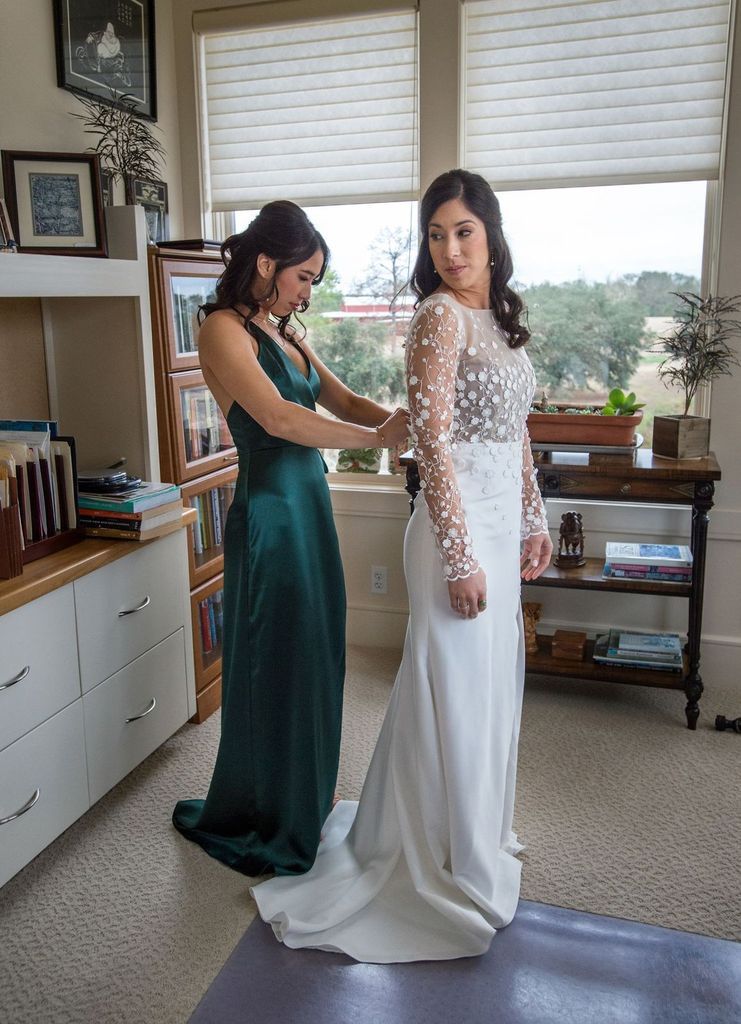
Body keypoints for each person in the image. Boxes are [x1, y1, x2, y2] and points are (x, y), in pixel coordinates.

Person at [251, 170, 552, 962]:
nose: (450, 250)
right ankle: (429, 860)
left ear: (490, 233)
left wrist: (532, 518)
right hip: (450, 533)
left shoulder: (503, 320)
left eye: (463, 231)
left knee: (485, 692)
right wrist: (460, 555)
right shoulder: (437, 319)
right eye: (435, 234)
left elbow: (516, 433)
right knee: (447, 692)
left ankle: (470, 837)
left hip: (494, 524)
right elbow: (434, 442)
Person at [172, 201, 410, 877]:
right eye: (304, 276)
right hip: (273, 514)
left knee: (312, 652)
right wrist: (372, 442)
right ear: (268, 263)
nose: (308, 292)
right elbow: (277, 419)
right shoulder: (221, 329)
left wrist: (413, 412)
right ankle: (265, 812)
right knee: (275, 661)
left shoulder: (285, 333)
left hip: (309, 507)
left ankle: (300, 800)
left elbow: (343, 402)